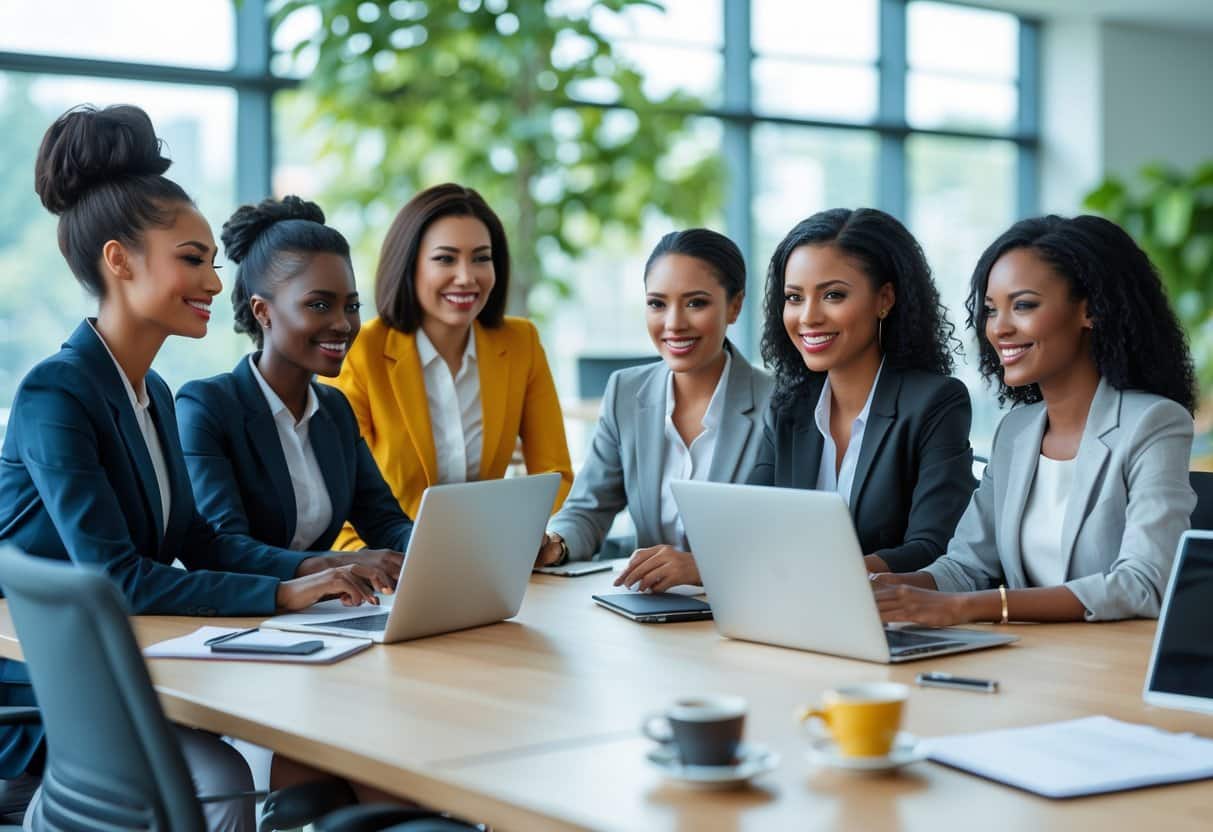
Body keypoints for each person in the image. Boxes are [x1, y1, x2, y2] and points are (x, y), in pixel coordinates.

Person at [0, 105, 389, 831]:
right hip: (43, 694)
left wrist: (308, 578)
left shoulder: (153, 395)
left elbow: (199, 542)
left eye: (211, 259)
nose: (216, 280)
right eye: (192, 258)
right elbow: (115, 577)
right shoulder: (57, 393)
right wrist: (280, 598)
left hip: (121, 668)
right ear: (119, 261)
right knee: (222, 772)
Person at [873, 215, 1197, 624]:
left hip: (1110, 667)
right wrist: (883, 587)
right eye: (991, 310)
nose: (999, 328)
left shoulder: (1153, 423)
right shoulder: (1017, 431)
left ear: (1092, 310)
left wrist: (971, 607)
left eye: (1023, 305)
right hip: (1027, 658)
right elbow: (965, 568)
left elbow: (1144, 582)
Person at [325, 183, 573, 549]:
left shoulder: (521, 344)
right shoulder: (362, 351)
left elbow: (554, 474)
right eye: (445, 258)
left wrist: (529, 537)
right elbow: (335, 492)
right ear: (409, 265)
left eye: (481, 257)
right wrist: (368, 563)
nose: (466, 276)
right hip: (388, 569)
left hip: (490, 559)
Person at [177, 196, 413, 569]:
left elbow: (385, 522)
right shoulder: (207, 407)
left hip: (321, 613)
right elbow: (222, 549)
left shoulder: (334, 410)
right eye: (319, 305)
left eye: (351, 306)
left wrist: (451, 546)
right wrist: (336, 565)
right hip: (245, 614)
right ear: (263, 311)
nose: (342, 323)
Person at [539, 229, 774, 591]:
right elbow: (589, 508)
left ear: (735, 305)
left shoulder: (778, 402)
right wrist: (555, 544)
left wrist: (703, 567)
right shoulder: (626, 392)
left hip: (747, 607)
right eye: (657, 304)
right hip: (650, 610)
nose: (673, 323)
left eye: (695, 303)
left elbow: (787, 539)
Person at [748, 208, 975, 573]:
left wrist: (830, 570)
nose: (808, 316)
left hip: (891, 617)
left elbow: (935, 546)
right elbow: (750, 524)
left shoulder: (935, 403)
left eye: (833, 295)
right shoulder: (789, 407)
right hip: (792, 608)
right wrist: (702, 562)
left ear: (884, 299)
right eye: (794, 297)